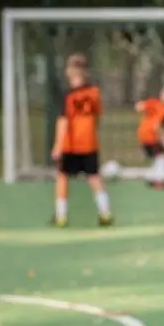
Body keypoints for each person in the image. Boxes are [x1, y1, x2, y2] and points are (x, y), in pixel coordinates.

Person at [50, 53, 113, 227]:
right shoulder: (94, 93)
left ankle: (61, 215)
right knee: (94, 177)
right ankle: (105, 212)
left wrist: (58, 145)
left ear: (69, 72)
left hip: (70, 143)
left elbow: (63, 121)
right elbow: (98, 115)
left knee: (62, 176)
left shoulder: (68, 96)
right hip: (89, 142)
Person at [135, 84, 164, 190]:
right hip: (151, 136)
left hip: (142, 134)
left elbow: (139, 106)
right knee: (162, 157)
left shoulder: (154, 102)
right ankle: (158, 181)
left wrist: (145, 112)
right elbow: (157, 126)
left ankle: (152, 177)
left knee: (158, 157)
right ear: (162, 94)